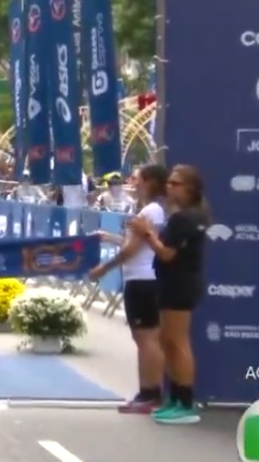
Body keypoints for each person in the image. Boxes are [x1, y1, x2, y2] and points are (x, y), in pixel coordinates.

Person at [87, 165, 169, 414]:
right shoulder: (149, 210)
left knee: (147, 339)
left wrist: (105, 268)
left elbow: (132, 250)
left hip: (144, 280)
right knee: (143, 338)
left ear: (149, 182)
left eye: (137, 178)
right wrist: (109, 237)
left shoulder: (150, 210)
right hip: (142, 278)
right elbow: (134, 243)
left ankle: (151, 392)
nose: (132, 182)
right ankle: (148, 392)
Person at [132, 164, 208, 424]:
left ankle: (185, 401)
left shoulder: (186, 219)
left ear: (190, 189)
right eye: (169, 183)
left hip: (180, 285)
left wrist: (148, 233)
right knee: (167, 340)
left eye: (176, 184)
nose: (169, 187)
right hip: (170, 284)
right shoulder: (180, 217)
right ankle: (175, 398)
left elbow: (166, 253)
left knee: (177, 342)